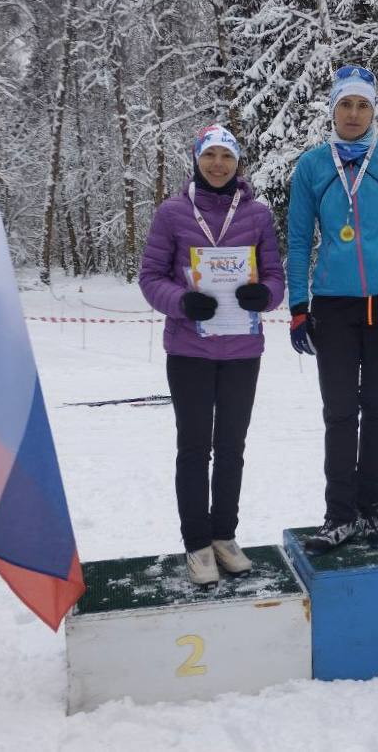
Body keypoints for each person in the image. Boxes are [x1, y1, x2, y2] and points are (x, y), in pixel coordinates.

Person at [287, 65, 378, 554]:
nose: (353, 114)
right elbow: (296, 239)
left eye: (362, 105)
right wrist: (298, 306)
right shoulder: (312, 165)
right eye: (345, 105)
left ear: (374, 110)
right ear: (332, 109)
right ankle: (339, 516)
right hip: (333, 305)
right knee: (338, 412)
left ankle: (373, 513)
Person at [139, 124, 285, 585]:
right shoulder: (172, 212)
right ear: (197, 159)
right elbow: (150, 277)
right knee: (194, 447)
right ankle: (197, 544)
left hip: (242, 349)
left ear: (238, 162)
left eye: (227, 156)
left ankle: (224, 535)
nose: (218, 164)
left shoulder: (258, 215)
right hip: (190, 349)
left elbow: (276, 276)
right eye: (210, 156)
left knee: (231, 447)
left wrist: (265, 295)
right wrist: (181, 302)